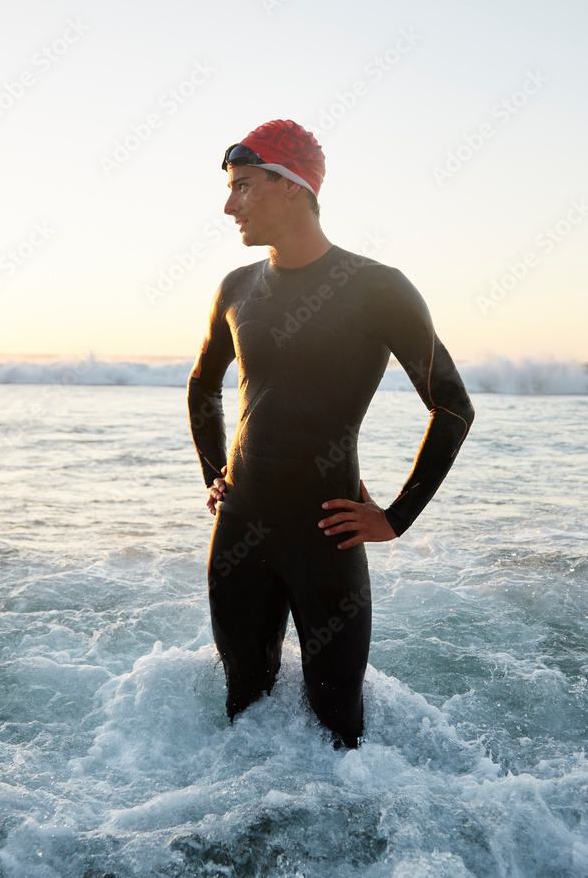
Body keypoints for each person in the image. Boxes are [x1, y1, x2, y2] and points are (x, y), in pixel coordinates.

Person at [187, 119, 474, 748]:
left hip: (327, 538)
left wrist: (397, 517)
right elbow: (202, 384)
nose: (229, 204)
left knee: (340, 728)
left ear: (290, 186)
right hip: (239, 535)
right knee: (245, 710)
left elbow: (452, 406)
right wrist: (215, 475)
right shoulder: (236, 288)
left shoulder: (378, 288)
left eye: (242, 187)